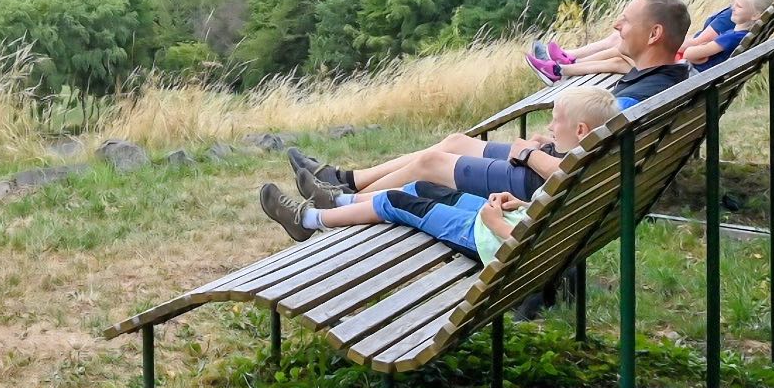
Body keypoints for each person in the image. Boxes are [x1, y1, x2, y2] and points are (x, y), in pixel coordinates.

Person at [290, 0, 692, 200]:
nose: (617, 24)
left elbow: (586, 158)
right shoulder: (661, 77)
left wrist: (535, 151)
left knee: (433, 161)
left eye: (627, 19)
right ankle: (348, 180)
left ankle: (336, 200)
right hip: (559, 173)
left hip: (551, 184)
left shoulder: (642, 96)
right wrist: (548, 141)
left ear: (654, 34)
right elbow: (592, 142)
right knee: (454, 141)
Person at [261, 85, 623, 249]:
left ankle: (309, 220)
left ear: (579, 131)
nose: (548, 128)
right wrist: (521, 205)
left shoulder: (572, 170)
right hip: (504, 217)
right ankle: (338, 199)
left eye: (555, 122)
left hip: (484, 234)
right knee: (418, 187)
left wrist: (500, 216)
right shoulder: (588, 169)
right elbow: (550, 213)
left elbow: (528, 241)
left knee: (399, 200)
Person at [526, 0, 761, 85]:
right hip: (695, 71)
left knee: (630, 44)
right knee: (626, 41)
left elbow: (699, 46)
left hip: (687, 70)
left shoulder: (736, 13)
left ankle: (564, 65)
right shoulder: (743, 8)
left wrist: (670, 41)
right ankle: (566, 62)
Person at [684, 0, 772, 72]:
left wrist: (696, 50)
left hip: (695, 75)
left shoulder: (732, 38)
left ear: (755, 15)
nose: (733, 8)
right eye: (734, 4)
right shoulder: (742, 36)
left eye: (739, 6)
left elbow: (689, 54)